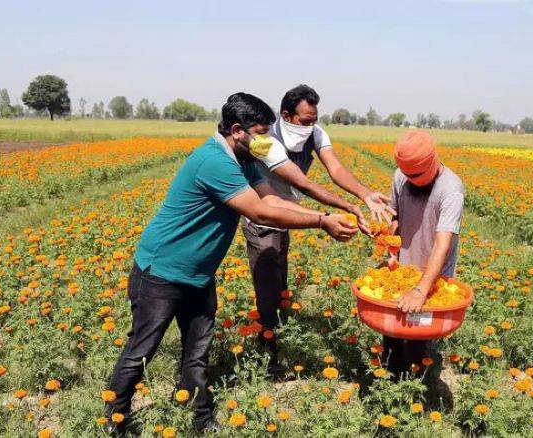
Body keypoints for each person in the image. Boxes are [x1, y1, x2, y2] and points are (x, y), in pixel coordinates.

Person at [104, 93, 357, 434]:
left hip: (198, 274)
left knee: (197, 350)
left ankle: (200, 418)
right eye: (262, 133)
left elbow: (273, 197)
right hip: (161, 271)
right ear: (237, 131)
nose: (268, 141)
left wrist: (329, 215)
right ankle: (114, 420)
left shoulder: (249, 156)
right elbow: (259, 211)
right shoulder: (214, 161)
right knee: (142, 349)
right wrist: (321, 222)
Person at [241, 84, 394, 369]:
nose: (311, 126)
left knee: (280, 282)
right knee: (268, 287)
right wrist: (344, 208)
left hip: (291, 215)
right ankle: (267, 352)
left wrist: (364, 194)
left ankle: (277, 335)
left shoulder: (316, 134)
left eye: (314, 119)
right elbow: (302, 182)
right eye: (304, 121)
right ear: (285, 115)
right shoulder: (266, 137)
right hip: (263, 216)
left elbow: (335, 169)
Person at [381, 130, 465, 384]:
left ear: (432, 161)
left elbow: (442, 243)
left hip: (432, 276)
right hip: (402, 271)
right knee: (392, 332)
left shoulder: (451, 189)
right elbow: (394, 217)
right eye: (406, 175)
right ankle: (390, 381)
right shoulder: (401, 176)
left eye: (416, 175)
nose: (410, 180)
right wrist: (390, 250)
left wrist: (421, 289)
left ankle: (415, 389)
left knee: (418, 336)